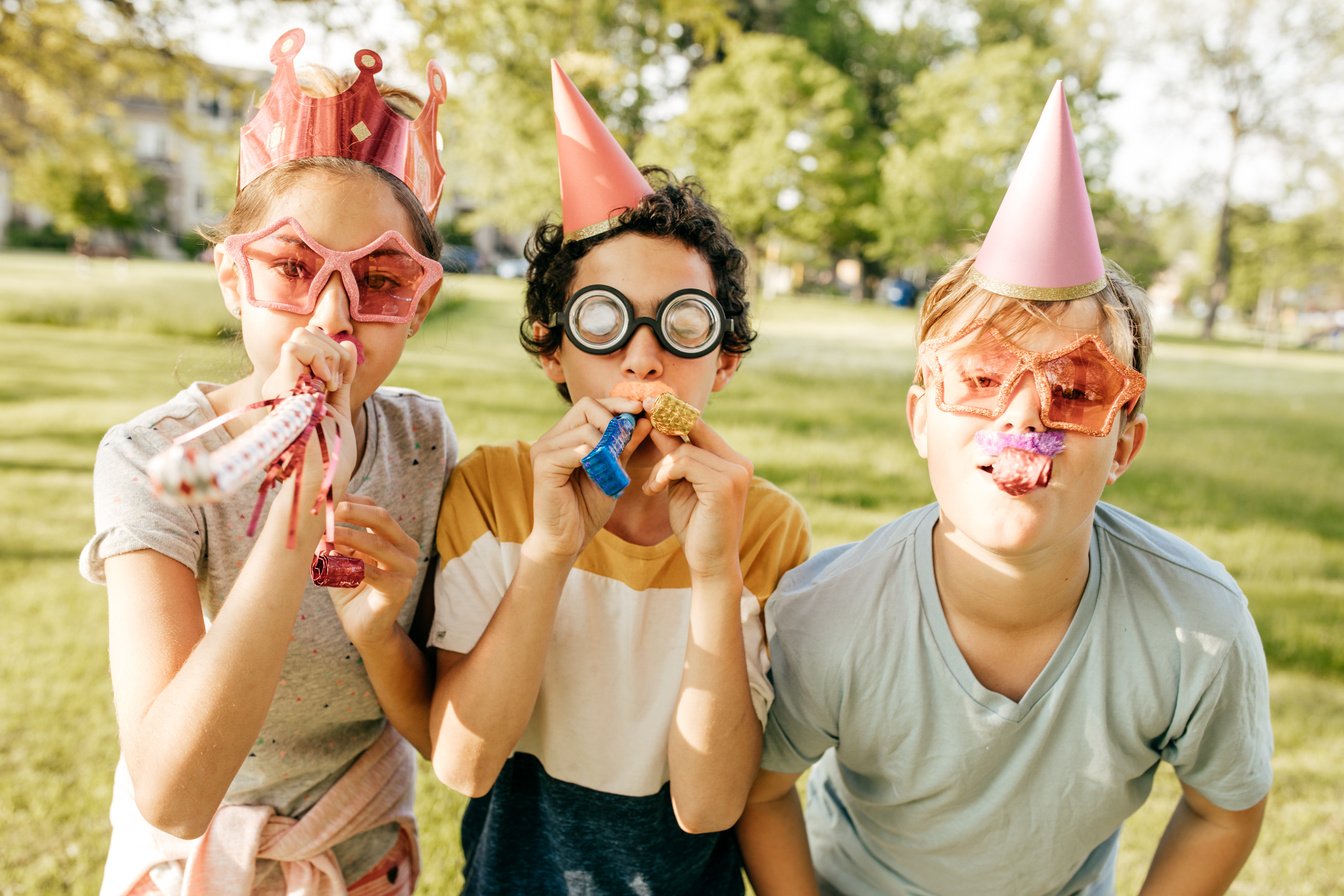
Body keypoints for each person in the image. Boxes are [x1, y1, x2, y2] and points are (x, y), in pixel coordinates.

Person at [737, 83, 1273, 896]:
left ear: (1124, 443)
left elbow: (1226, 807)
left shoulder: (1197, 626)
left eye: (1077, 387)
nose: (1024, 419)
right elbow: (763, 789)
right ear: (921, 420)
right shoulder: (829, 614)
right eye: (983, 377)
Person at [79, 28, 455, 895]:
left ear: (421, 303)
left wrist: (378, 630)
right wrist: (295, 506)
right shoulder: (150, 458)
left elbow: (446, 736)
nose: (333, 315)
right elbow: (172, 795)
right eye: (292, 268)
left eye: (382, 280)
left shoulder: (422, 445)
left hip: (361, 859)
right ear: (229, 278)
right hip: (193, 864)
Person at [421, 62, 810, 894]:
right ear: (553, 348)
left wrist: (715, 572)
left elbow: (709, 807)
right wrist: (548, 551)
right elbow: (464, 762)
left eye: (682, 325)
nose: (642, 356)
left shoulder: (767, 527)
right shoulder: (492, 492)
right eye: (603, 321)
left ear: (725, 361)